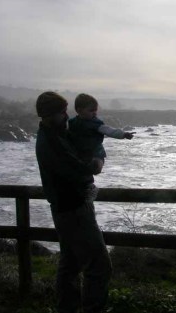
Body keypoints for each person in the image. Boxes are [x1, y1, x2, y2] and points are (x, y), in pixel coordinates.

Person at [35, 91, 112, 313]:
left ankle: (66, 308)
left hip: (63, 208)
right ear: (49, 114)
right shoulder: (52, 141)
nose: (67, 115)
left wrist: (98, 150)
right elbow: (75, 168)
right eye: (62, 112)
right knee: (99, 265)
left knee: (70, 264)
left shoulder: (54, 134)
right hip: (74, 207)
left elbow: (81, 148)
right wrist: (95, 165)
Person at [68, 93, 134, 164]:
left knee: (95, 165)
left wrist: (124, 134)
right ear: (79, 110)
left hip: (96, 154)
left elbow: (110, 131)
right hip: (80, 154)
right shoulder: (71, 122)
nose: (94, 113)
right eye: (91, 110)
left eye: (95, 110)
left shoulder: (95, 123)